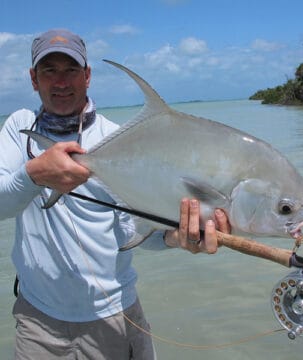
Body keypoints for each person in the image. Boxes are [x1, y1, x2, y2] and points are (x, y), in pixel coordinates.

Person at [0, 29, 230, 360]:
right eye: (49, 71)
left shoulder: (116, 138)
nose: (61, 82)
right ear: (34, 79)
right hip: (38, 323)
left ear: (88, 76)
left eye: (71, 70)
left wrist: (175, 239)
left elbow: (129, 231)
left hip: (115, 315)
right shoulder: (19, 128)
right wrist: (33, 174)